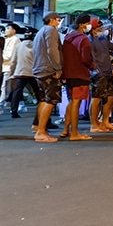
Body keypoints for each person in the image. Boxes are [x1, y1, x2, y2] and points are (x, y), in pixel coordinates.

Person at [60, 14, 94, 141]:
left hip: (68, 73)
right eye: (88, 23)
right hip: (79, 72)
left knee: (71, 101)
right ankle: (74, 133)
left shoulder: (68, 37)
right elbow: (85, 58)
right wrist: (92, 65)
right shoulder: (83, 39)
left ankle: (65, 130)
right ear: (82, 24)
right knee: (76, 102)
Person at [33, 12, 64, 143]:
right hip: (48, 70)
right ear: (51, 20)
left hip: (39, 70)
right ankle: (41, 132)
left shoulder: (40, 31)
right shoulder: (51, 31)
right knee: (50, 100)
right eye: (57, 20)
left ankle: (39, 126)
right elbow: (52, 51)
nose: (58, 22)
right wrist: (58, 68)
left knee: (43, 99)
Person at [9, 31, 42, 119]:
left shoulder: (18, 46)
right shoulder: (37, 46)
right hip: (33, 72)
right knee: (38, 92)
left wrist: (11, 72)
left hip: (20, 72)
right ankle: (41, 110)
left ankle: (14, 111)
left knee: (17, 92)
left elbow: (13, 61)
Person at [0, 23, 21, 114]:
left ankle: (0, 107)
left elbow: (10, 54)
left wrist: (1, 56)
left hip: (10, 67)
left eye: (8, 28)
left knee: (5, 87)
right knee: (13, 87)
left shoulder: (15, 40)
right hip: (5, 66)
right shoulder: (8, 39)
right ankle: (21, 105)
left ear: (14, 30)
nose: (6, 30)